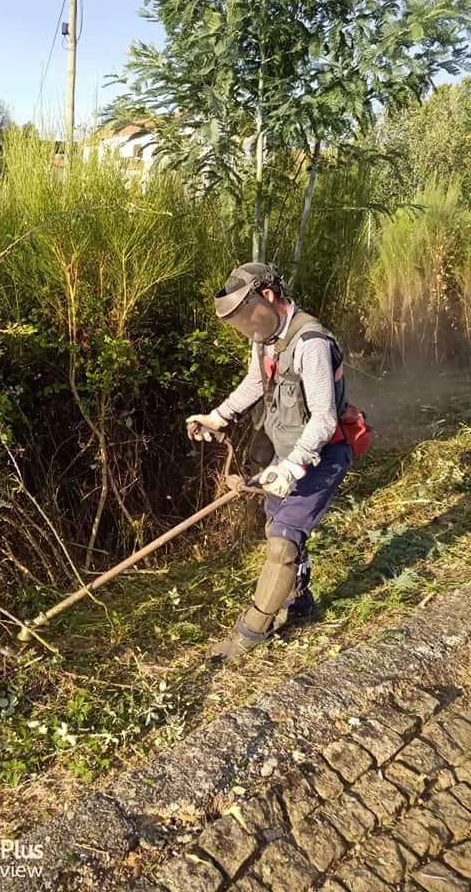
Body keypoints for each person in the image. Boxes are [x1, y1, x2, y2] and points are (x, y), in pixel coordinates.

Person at [186, 261, 353, 663]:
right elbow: (254, 383)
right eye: (239, 323)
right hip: (287, 450)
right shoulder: (265, 338)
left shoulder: (310, 342)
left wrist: (293, 468)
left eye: (248, 316)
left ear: (269, 297)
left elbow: (326, 419)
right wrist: (218, 416)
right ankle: (300, 600)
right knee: (275, 522)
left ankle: (249, 637)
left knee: (281, 542)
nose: (247, 328)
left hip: (321, 454)